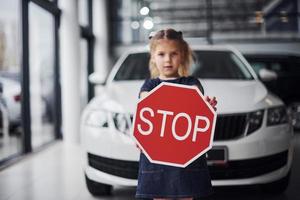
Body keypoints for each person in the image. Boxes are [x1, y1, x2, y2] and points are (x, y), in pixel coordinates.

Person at [135, 28, 217, 200]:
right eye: (161, 54)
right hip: (157, 159)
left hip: (186, 160)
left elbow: (197, 115)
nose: (167, 60)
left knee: (187, 195)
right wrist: (142, 135)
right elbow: (146, 109)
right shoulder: (148, 86)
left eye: (173, 54)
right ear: (153, 57)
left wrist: (206, 109)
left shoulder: (192, 83)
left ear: (182, 55)